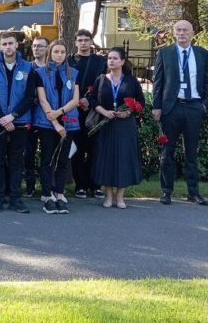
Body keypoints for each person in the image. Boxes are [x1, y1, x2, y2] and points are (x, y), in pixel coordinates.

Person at [152, 20, 208, 206]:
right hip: (172, 108)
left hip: (194, 107)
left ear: (192, 33)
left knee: (191, 153)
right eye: (178, 30)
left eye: (185, 30)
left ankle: (193, 193)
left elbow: (206, 82)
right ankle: (166, 191)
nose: (182, 33)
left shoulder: (202, 54)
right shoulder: (165, 52)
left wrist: (204, 105)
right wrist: (157, 106)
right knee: (167, 152)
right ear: (174, 32)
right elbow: (158, 82)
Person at [0, 31, 38, 213]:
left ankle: (16, 199)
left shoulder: (28, 68)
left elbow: (30, 97)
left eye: (10, 43)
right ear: (1, 46)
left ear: (17, 45)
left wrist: (13, 116)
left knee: (16, 162)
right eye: (4, 44)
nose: (8, 47)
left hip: (19, 121)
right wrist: (1, 118)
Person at [91, 47, 145, 209]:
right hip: (105, 124)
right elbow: (92, 99)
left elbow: (141, 102)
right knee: (107, 159)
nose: (111, 61)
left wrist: (128, 112)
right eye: (109, 58)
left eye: (115, 58)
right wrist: (103, 112)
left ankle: (120, 196)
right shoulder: (100, 79)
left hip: (124, 126)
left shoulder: (131, 81)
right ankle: (108, 196)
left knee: (122, 159)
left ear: (122, 61)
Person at [35, 40, 80, 214]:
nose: (59, 55)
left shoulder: (73, 73)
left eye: (62, 52)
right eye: (56, 52)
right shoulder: (40, 73)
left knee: (62, 161)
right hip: (48, 124)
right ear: (50, 53)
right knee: (47, 160)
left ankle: (59, 193)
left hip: (68, 122)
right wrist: (54, 121)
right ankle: (47, 195)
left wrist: (59, 112)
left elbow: (75, 100)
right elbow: (42, 99)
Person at [68, 29, 107, 199]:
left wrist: (89, 101)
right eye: (80, 40)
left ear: (91, 41)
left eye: (86, 39)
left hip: (95, 111)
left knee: (95, 149)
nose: (83, 43)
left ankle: (95, 185)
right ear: (75, 42)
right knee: (77, 149)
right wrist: (77, 101)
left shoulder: (101, 62)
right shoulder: (68, 60)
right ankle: (80, 185)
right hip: (73, 110)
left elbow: (103, 85)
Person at [23, 36, 49, 197]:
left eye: (40, 46)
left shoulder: (51, 68)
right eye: (34, 46)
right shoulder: (26, 68)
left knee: (47, 152)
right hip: (29, 116)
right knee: (28, 152)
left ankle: (47, 185)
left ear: (47, 49)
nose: (37, 49)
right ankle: (30, 186)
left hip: (46, 116)